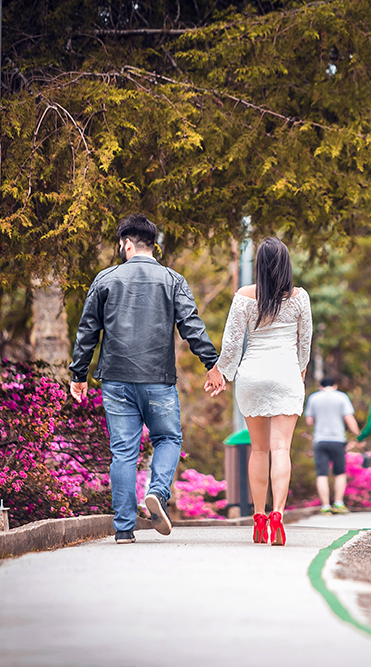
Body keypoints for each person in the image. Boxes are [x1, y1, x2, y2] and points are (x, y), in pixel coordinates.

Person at [69, 213, 225, 544]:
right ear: (154, 245)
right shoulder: (173, 280)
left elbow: (88, 330)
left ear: (126, 243)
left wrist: (78, 374)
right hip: (157, 378)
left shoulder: (105, 279)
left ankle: (124, 528)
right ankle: (156, 492)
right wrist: (212, 363)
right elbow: (191, 326)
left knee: (123, 451)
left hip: (115, 378)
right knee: (168, 439)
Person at [206, 237, 312, 546]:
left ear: (259, 265)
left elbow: (231, 344)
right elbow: (304, 341)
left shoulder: (243, 296)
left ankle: (259, 516)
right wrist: (301, 369)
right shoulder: (300, 297)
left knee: (259, 449)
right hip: (285, 374)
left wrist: (219, 373)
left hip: (251, 376)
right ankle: (278, 515)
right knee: (281, 449)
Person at [304, 377, 359, 514]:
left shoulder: (313, 398)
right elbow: (349, 418)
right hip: (338, 440)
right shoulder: (342, 397)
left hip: (320, 440)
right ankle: (339, 503)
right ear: (335, 385)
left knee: (322, 473)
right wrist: (358, 435)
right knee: (340, 472)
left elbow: (309, 421)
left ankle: (325, 506)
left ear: (320, 386)